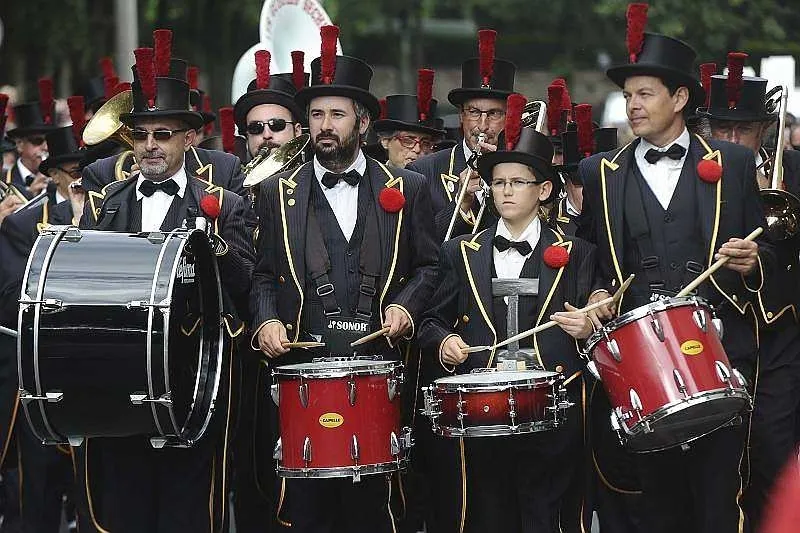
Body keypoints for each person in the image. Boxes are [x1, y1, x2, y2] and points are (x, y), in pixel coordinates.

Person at [577, 10, 771, 532]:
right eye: (628, 95)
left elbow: (771, 252)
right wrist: (595, 294)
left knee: (719, 502)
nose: (632, 105)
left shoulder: (732, 164)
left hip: (718, 355)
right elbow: (590, 256)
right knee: (656, 508)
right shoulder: (598, 172)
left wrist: (753, 262)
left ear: (680, 97)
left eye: (645, 94)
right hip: (641, 367)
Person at [249, 25, 438, 533]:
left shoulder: (409, 187)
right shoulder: (275, 191)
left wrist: (406, 307)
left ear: (364, 121)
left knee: (377, 513)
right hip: (303, 373)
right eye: (316, 115)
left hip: (381, 372)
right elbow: (263, 274)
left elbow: (430, 266)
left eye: (337, 114)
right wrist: (266, 321)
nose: (325, 126)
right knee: (309, 514)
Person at [76, 45, 255, 533]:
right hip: (120, 388)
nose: (150, 145)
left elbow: (245, 288)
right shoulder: (103, 205)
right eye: (140, 135)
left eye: (163, 134)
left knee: (190, 514)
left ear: (189, 138)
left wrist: (215, 249)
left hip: (193, 385)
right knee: (123, 510)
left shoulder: (225, 204)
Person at [418, 94, 595, 533]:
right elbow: (430, 321)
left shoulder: (578, 253)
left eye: (518, 182)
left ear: (544, 190)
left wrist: (590, 323)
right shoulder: (459, 251)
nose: (507, 191)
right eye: (498, 183)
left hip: (555, 412)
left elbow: (598, 318)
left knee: (547, 519)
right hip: (483, 416)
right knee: (489, 516)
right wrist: (445, 342)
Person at [698, 51, 800, 529]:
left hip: (780, 334)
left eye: (744, 130)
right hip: (715, 332)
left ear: (764, 130)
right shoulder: (693, 174)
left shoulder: (793, 170)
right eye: (723, 129)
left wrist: (763, 263)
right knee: (718, 461)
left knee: (774, 451)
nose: (733, 140)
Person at [408, 29, 516, 241]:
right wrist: (461, 203)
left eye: (494, 114)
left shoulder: (525, 172)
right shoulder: (422, 172)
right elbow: (419, 248)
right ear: (461, 115)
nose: (482, 125)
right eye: (474, 112)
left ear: (509, 117)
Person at [373, 69, 444, 169]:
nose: (417, 149)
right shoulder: (370, 178)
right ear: (385, 141)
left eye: (425, 143)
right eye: (408, 141)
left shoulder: (441, 179)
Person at [5, 80, 56, 199]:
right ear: (20, 145)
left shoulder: (62, 177)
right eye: (37, 141)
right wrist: (29, 196)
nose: (46, 147)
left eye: (50, 140)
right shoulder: (3, 180)